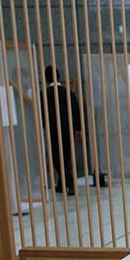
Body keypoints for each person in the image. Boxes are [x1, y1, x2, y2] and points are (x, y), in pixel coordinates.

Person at [42, 66, 82, 196]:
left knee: (56, 158)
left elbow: (42, 114)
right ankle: (62, 184)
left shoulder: (44, 94)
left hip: (53, 130)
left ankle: (69, 182)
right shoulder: (68, 92)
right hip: (68, 129)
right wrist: (78, 128)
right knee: (66, 156)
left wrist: (41, 128)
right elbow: (76, 110)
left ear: (46, 79)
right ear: (59, 77)